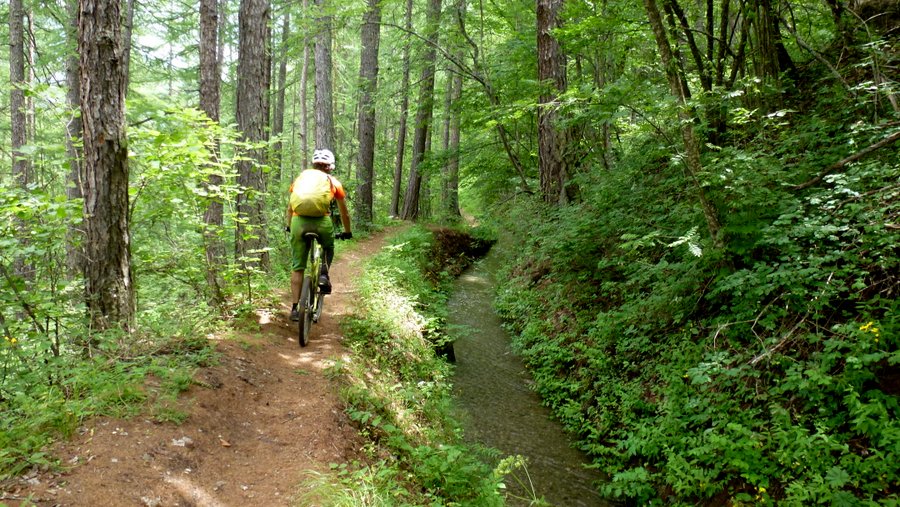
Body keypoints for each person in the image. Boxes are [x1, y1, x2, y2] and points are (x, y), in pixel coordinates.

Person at [285, 148, 352, 321]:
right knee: (328, 247)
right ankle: (323, 273)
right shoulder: (332, 181)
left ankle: (294, 308)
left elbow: (290, 207)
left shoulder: (301, 178)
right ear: (330, 167)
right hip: (322, 222)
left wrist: (288, 226)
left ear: (313, 165)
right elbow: (344, 212)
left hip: (298, 222)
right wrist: (347, 231)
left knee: (297, 266)